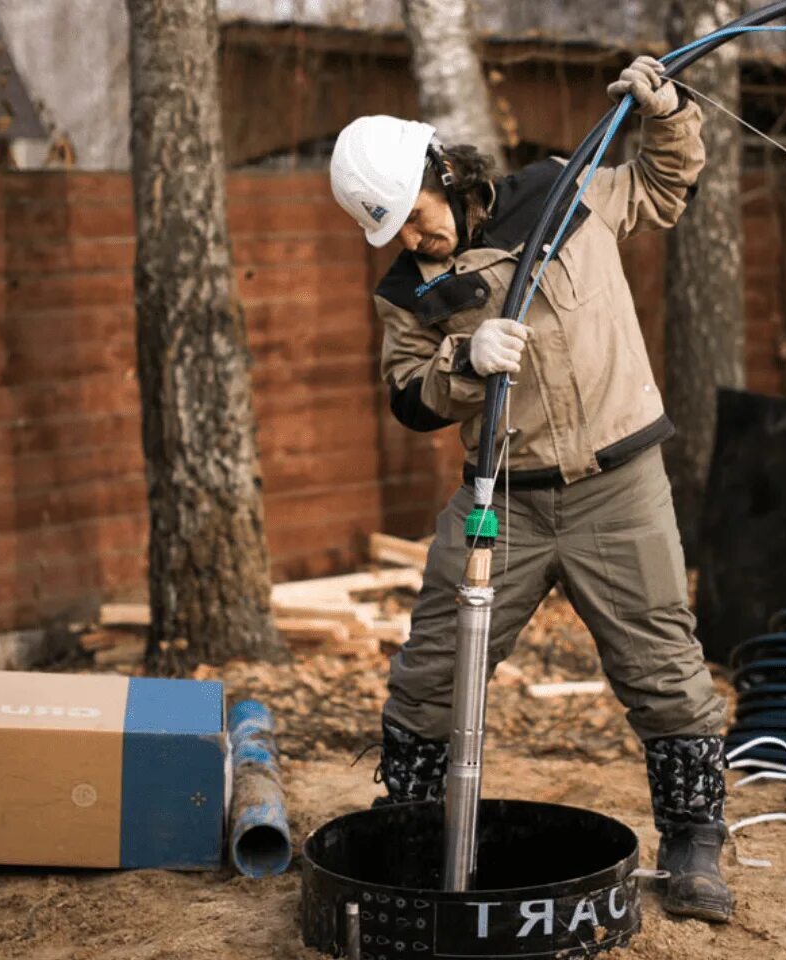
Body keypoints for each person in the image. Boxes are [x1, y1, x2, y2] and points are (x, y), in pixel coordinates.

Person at [329, 56, 732, 923]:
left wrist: (666, 111)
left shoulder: (560, 191)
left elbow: (664, 187)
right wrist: (461, 360)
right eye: (391, 230)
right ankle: (408, 827)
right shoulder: (410, 288)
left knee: (663, 670)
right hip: (500, 497)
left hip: (617, 483)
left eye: (414, 218)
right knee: (433, 673)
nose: (409, 240)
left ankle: (695, 842)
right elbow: (408, 395)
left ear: (442, 173)